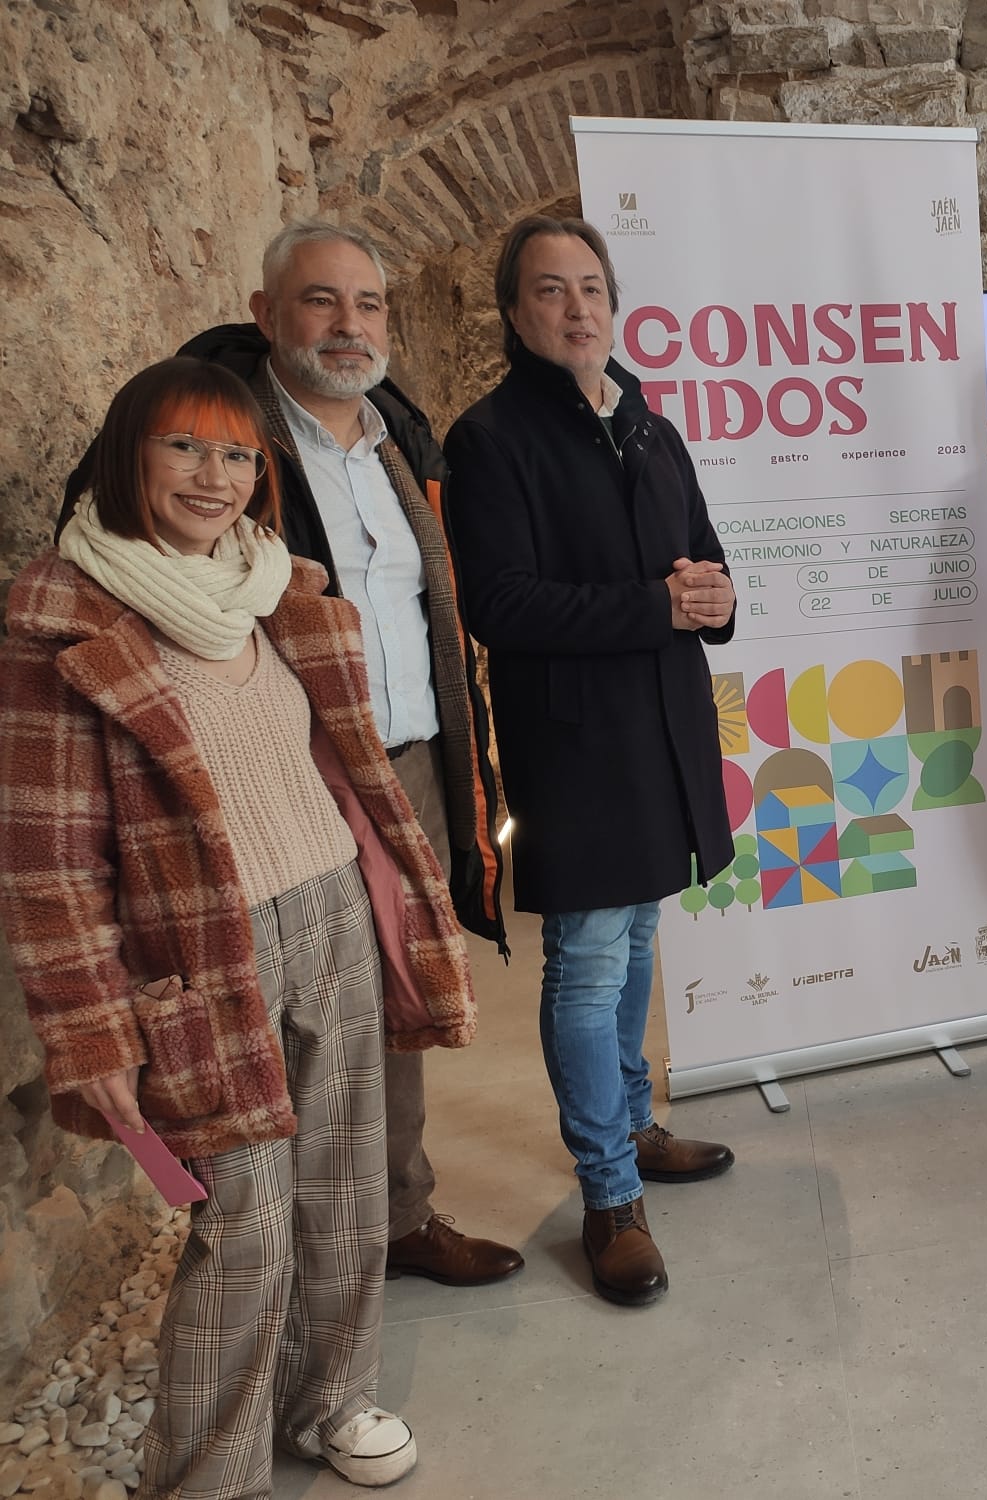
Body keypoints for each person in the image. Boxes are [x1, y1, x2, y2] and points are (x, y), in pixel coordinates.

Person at [0, 358, 477, 1493]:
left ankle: (333, 1401)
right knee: (244, 1222)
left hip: (333, 914)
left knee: (348, 1183)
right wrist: (91, 1030)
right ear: (129, 456)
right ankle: (210, 1473)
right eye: (184, 448)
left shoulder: (274, 587)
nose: (213, 477)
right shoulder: (60, 622)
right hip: (200, 956)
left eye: (235, 454)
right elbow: (46, 861)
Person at [59, 221, 522, 1288]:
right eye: (321, 301)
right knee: (282, 1018)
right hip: (283, 772)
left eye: (368, 305)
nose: (348, 326)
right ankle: (282, 1252)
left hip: (408, 758)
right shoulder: (219, 430)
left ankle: (394, 1217)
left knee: (394, 998)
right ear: (267, 316)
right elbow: (121, 559)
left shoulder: (399, 442)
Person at [443, 216, 736, 1308]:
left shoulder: (651, 425)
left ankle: (632, 1123)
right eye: (550, 291)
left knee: (639, 930)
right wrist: (654, 603)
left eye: (591, 289)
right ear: (515, 314)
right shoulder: (491, 437)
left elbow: (702, 557)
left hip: (661, 729)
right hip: (574, 745)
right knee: (588, 958)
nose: (576, 309)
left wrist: (717, 598)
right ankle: (608, 1194)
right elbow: (498, 604)